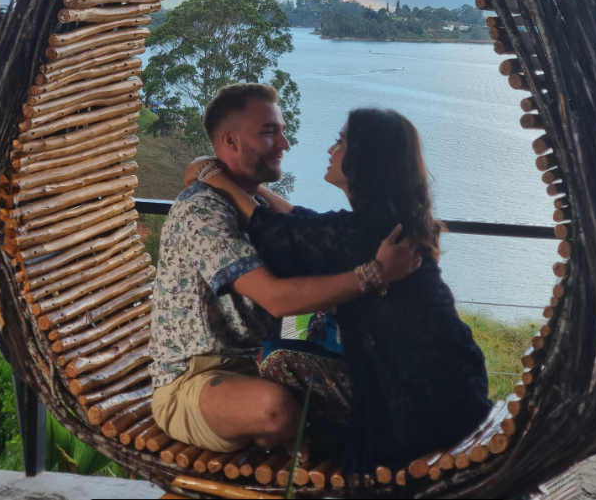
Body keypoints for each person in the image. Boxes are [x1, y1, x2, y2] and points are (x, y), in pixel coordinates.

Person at [192, 107, 493, 475]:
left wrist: (214, 179)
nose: (331, 150)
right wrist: (242, 185)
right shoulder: (386, 222)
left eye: (341, 142)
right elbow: (299, 222)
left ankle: (302, 441)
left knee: (277, 361)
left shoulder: (365, 233)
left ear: (364, 158)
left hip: (423, 404)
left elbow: (276, 233)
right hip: (458, 386)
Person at [148, 84, 423, 454]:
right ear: (230, 141)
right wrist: (374, 274)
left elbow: (298, 224)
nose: (285, 144)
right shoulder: (202, 211)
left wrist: (209, 170)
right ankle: (291, 436)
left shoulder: (259, 209)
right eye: (269, 132)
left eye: (281, 131)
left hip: (259, 366)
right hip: (194, 380)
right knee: (274, 409)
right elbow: (276, 300)